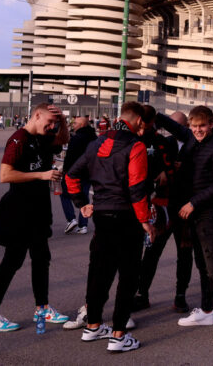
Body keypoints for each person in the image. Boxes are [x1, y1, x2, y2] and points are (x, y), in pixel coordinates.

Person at [66, 101, 153, 353]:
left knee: (99, 273)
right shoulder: (135, 145)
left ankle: (92, 326)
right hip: (127, 218)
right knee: (128, 276)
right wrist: (145, 221)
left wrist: (82, 203)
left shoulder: (96, 143)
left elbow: (71, 175)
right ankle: (118, 335)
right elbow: (137, 189)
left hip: (102, 216)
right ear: (137, 120)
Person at [0, 103, 71, 333]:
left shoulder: (44, 137)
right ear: (36, 115)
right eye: (49, 122)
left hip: (39, 209)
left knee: (41, 259)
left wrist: (62, 120)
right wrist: (42, 174)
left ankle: (43, 308)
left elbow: (63, 140)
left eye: (54, 124)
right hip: (19, 209)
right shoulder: (18, 139)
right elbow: (4, 175)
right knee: (12, 261)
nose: (52, 127)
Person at [176, 105, 213, 342]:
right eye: (194, 126)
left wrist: (193, 202)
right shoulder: (195, 141)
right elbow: (174, 126)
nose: (198, 130)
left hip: (210, 212)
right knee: (202, 264)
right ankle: (207, 311)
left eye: (202, 126)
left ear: (211, 125)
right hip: (195, 212)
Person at [134, 107, 193, 314]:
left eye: (177, 126)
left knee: (185, 253)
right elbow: (148, 168)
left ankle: (180, 296)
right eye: (170, 125)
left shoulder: (195, 145)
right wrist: (163, 172)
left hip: (185, 209)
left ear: (184, 127)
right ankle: (142, 294)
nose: (172, 130)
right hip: (163, 207)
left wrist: (180, 171)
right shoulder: (163, 143)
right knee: (151, 252)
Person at [60, 116, 97, 234]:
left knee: (64, 195)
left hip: (75, 172)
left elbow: (70, 157)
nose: (73, 125)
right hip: (89, 173)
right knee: (84, 196)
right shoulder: (94, 138)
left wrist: (65, 170)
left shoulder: (76, 139)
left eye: (75, 123)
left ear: (81, 125)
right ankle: (83, 225)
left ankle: (71, 219)